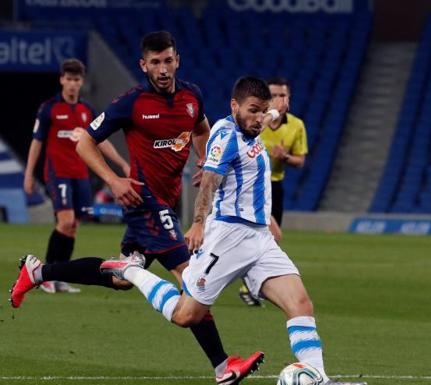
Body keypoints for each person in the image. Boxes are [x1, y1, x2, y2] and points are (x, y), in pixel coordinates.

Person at [10, 31, 262, 385]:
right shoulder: (131, 103)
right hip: (144, 202)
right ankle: (223, 367)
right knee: (191, 275)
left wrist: (204, 159)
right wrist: (113, 181)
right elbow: (85, 141)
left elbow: (201, 126)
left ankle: (38, 273)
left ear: (178, 60)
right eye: (155, 62)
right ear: (143, 65)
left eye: (168, 60)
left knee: (121, 279)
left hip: (167, 201)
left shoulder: (192, 96)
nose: (162, 69)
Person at [100, 76, 365, 385]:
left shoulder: (253, 125)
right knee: (186, 315)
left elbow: (267, 119)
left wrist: (277, 110)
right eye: (253, 110)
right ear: (234, 106)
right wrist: (198, 223)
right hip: (227, 237)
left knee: (300, 303)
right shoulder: (225, 137)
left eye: (261, 111)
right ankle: (130, 270)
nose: (258, 119)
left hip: (260, 239)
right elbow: (209, 182)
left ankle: (318, 377)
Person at [22, 58, 130, 294]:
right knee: (66, 221)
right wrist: (29, 174)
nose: (72, 84)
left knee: (73, 227)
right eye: (68, 79)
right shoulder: (49, 107)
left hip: (80, 174)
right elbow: (37, 142)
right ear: (62, 80)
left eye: (77, 80)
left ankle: (58, 276)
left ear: (82, 82)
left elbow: (100, 142)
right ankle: (43, 275)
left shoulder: (86, 111)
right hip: (57, 173)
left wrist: (122, 163)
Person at [238, 77, 308, 306]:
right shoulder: (257, 121)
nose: (280, 100)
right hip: (253, 186)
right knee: (273, 235)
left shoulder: (296, 125)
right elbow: (246, 137)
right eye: (275, 95)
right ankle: (250, 283)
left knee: (268, 241)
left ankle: (251, 284)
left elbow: (300, 160)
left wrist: (285, 157)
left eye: (283, 95)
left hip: (275, 186)